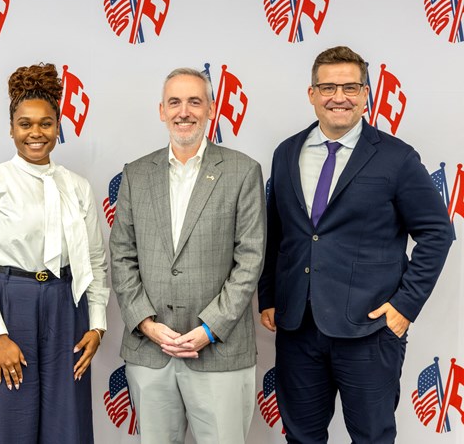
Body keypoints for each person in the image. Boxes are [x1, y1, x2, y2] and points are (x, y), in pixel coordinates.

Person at [258, 46, 453, 443]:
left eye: (350, 87)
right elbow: (275, 233)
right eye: (328, 87)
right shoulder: (286, 153)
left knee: (372, 437)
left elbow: (437, 233)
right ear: (312, 94)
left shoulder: (397, 158)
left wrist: (404, 307)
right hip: (298, 328)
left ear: (366, 94)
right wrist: (269, 297)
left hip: (370, 330)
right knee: (301, 437)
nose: (339, 97)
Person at [0, 63, 109, 444]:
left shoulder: (77, 186)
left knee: (65, 425)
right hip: (8, 306)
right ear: (11, 128)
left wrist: (97, 324)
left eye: (45, 124)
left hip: (65, 307)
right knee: (1, 423)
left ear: (58, 126)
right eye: (25, 124)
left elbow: (95, 261)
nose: (35, 133)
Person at [109, 67, 266, 444]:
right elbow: (121, 254)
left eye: (195, 102)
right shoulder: (136, 174)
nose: (184, 112)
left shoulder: (243, 171)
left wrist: (209, 328)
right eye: (175, 102)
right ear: (161, 110)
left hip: (219, 351)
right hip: (151, 350)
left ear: (211, 109)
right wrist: (145, 323)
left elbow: (250, 259)